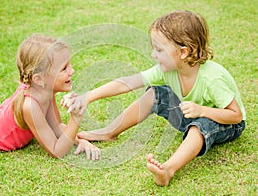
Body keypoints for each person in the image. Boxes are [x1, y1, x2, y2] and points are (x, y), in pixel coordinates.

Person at [62, 10, 246, 185]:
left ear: (183, 52)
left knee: (201, 125)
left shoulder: (212, 78)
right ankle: (109, 132)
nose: (153, 54)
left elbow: (236, 115)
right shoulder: (168, 70)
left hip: (226, 123)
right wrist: (88, 97)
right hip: (191, 114)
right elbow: (127, 82)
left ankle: (168, 170)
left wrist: (202, 111)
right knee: (156, 93)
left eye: (158, 50)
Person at [0, 34, 100, 161]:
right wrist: (75, 118)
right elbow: (57, 151)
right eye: (64, 68)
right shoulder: (30, 106)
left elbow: (56, 127)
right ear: (39, 79)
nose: (72, 71)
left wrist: (81, 141)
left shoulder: (44, 91)